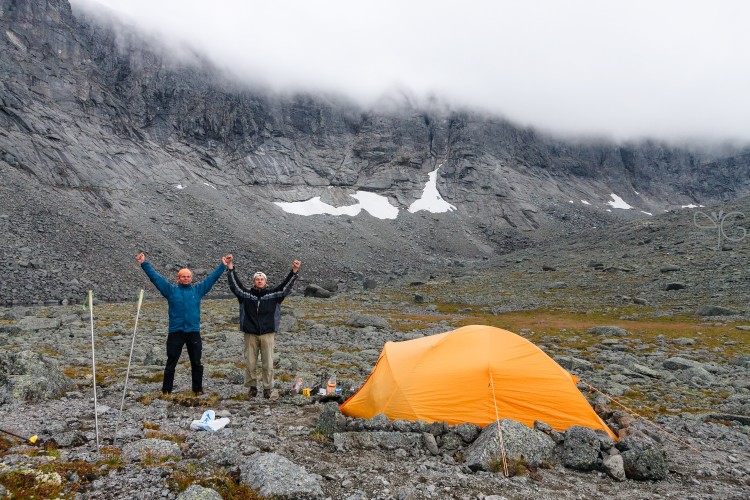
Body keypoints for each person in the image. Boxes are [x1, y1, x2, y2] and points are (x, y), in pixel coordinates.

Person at [136, 252, 229, 395]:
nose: (186, 279)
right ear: (178, 278)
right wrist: (144, 263)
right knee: (171, 363)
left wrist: (223, 265)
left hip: (193, 331)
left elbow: (211, 279)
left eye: (188, 276)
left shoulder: (198, 290)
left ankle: (197, 390)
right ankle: (166, 391)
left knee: (196, 362)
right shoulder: (171, 291)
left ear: (191, 278)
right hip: (176, 331)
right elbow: (156, 278)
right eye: (183, 277)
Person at [225, 254, 300, 399]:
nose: (259, 281)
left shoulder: (274, 294)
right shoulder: (245, 294)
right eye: (257, 279)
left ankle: (267, 388)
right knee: (250, 362)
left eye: (262, 279)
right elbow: (235, 285)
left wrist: (294, 271)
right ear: (254, 281)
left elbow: (286, 286)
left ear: (265, 281)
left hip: (267, 333)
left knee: (268, 363)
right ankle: (252, 388)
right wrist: (230, 268)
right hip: (250, 333)